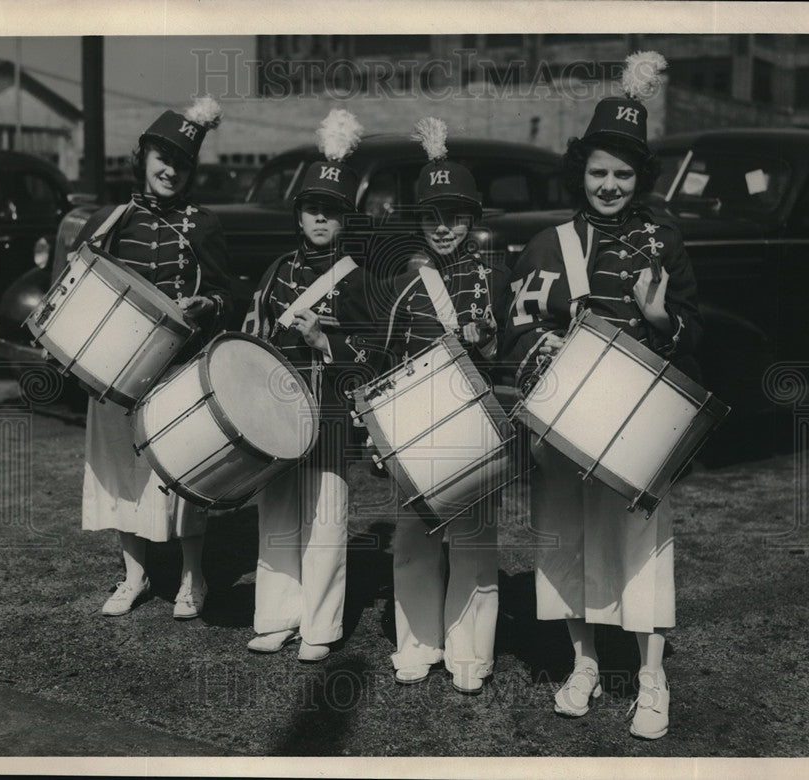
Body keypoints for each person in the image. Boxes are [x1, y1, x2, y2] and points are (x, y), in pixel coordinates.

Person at [502, 52, 703, 738]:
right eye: (598, 172)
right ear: (579, 173)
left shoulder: (663, 240)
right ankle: (583, 661)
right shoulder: (548, 244)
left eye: (623, 174)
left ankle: (651, 677)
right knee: (567, 543)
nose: (610, 185)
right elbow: (519, 327)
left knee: (643, 548)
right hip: (565, 424)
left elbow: (691, 330)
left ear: (639, 178)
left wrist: (655, 318)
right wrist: (548, 360)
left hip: (636, 428)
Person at [77, 96, 232, 620]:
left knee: (186, 475)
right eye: (162, 158)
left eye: (182, 163)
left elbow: (228, 294)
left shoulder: (203, 225)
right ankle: (135, 575)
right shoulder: (113, 218)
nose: (171, 170)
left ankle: (193, 576)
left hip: (177, 369)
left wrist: (208, 303)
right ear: (142, 159)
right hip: (117, 372)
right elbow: (79, 287)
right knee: (124, 469)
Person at [242, 109, 376, 663]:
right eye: (313, 209)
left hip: (329, 411)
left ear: (346, 220)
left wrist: (327, 344)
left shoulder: (361, 278)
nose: (322, 219)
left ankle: (320, 626)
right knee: (274, 513)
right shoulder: (276, 270)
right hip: (276, 411)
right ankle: (276, 617)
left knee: (325, 518)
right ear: (298, 216)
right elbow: (254, 328)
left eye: (332, 212)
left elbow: (374, 355)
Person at [378, 118, 500, 694]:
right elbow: (386, 361)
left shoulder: (492, 274)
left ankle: (470, 651)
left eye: (454, 216)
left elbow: (510, 347)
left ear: (472, 218)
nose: (444, 227)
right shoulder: (403, 280)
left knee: (474, 541)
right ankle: (417, 643)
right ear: (419, 222)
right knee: (414, 539)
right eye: (432, 216)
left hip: (472, 422)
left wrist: (490, 339)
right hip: (416, 426)